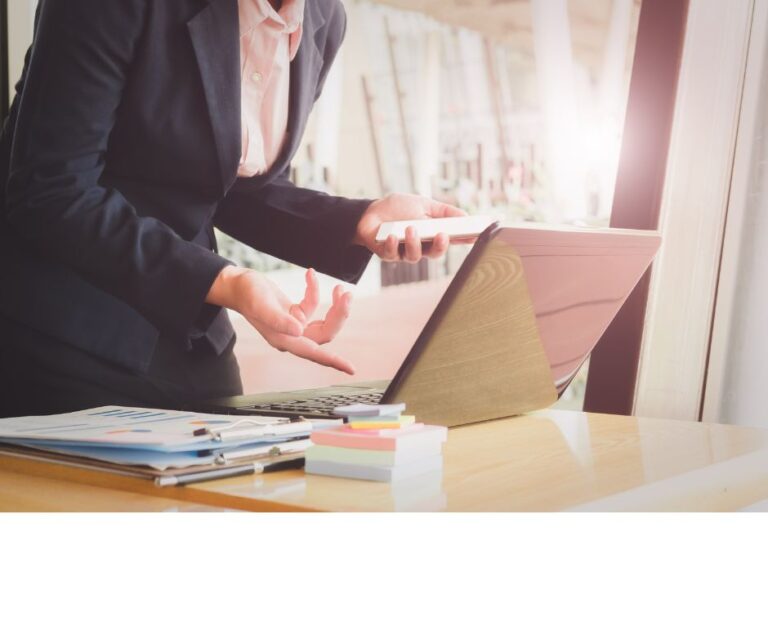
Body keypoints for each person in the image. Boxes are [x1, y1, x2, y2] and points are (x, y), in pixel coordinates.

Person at [0, 0, 465, 417]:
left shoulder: (324, 18)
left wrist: (358, 220)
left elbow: (229, 184)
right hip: (62, 326)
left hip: (186, 331)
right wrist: (228, 281)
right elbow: (52, 189)